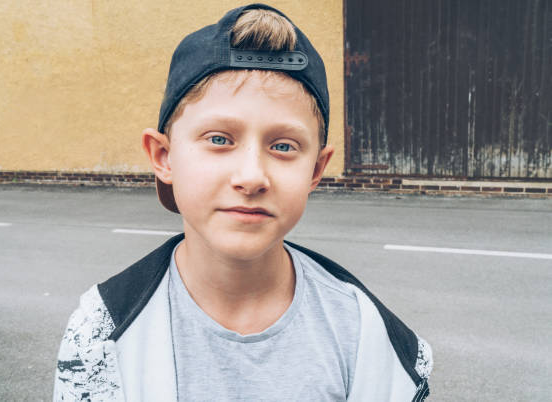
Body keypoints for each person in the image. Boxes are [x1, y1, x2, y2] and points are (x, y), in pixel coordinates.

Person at [53, 4, 432, 401]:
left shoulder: (372, 337)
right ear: (164, 156)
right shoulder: (102, 333)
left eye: (283, 146)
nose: (251, 177)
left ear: (316, 170)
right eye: (219, 139)